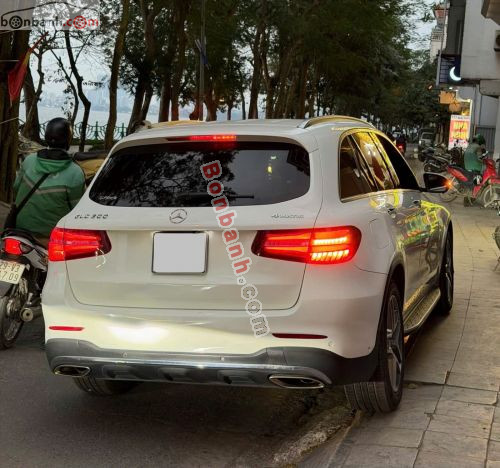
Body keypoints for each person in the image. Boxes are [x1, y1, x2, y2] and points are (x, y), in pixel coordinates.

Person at [13, 118, 86, 247]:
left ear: (46, 136)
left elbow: (16, 189)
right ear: (68, 140)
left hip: (19, 231)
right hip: (51, 238)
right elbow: (77, 212)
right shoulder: (75, 173)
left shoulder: (29, 161)